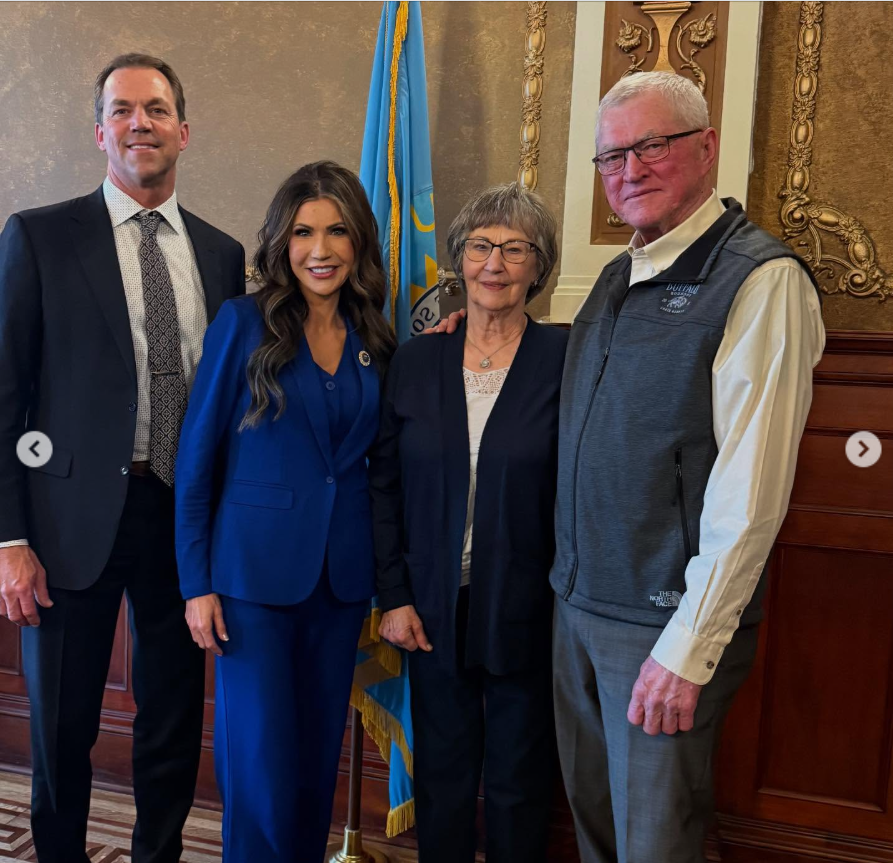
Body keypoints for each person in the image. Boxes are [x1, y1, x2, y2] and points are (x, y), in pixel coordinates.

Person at [549, 72, 825, 863]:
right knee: (596, 824)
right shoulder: (615, 275)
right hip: (576, 603)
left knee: (653, 842)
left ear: (705, 149)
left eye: (650, 146)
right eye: (611, 156)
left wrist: (687, 646)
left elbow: (750, 491)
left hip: (661, 624)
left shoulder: (760, 280)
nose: (627, 170)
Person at [0, 54, 244, 862]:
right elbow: (5, 392)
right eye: (123, 108)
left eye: (157, 108)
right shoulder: (38, 236)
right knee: (64, 726)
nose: (140, 121)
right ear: (101, 130)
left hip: (181, 518)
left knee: (172, 719)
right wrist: (9, 537)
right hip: (67, 523)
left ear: (184, 129)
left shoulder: (220, 254)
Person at [175, 160, 395, 861]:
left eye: (336, 231)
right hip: (250, 584)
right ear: (282, 240)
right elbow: (196, 457)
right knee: (261, 767)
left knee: (312, 763)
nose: (320, 249)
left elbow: (371, 465)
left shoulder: (376, 338)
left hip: (337, 583)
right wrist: (196, 582)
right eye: (303, 232)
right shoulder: (244, 323)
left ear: (358, 241)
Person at [369, 183, 568, 863]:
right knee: (444, 775)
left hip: (527, 604)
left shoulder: (565, 357)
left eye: (515, 249)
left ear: (538, 267)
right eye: (481, 246)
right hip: (429, 607)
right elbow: (384, 483)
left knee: (518, 778)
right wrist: (393, 595)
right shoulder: (418, 358)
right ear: (458, 259)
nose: (495, 263)